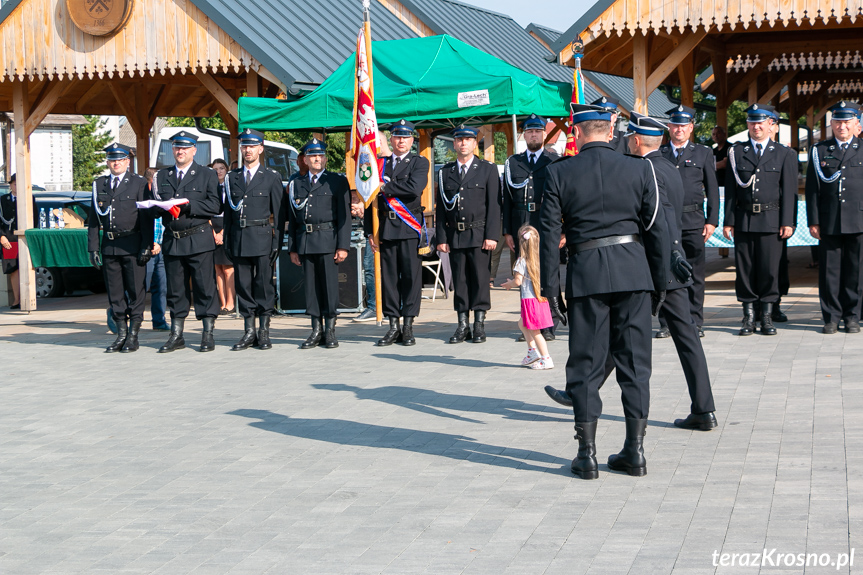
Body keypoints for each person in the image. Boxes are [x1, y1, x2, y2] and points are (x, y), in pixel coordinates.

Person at [539, 103, 668, 479]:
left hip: (587, 274)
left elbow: (549, 237)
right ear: (611, 132)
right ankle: (635, 451)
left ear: (577, 135)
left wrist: (551, 290)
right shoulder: (640, 167)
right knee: (635, 365)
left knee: (585, 362)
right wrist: (660, 283)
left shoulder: (558, 172)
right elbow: (656, 231)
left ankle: (587, 454)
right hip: (634, 273)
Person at [723, 104, 797, 336]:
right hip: (744, 219)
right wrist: (728, 221)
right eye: (752, 122)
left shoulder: (785, 153)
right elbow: (732, 191)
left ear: (770, 125)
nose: (756, 126)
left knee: (769, 269)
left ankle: (766, 315)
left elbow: (789, 191)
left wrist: (788, 221)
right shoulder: (736, 153)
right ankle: (748, 316)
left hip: (771, 219)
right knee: (745, 270)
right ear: (747, 125)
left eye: (761, 122)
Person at [151, 131, 221, 352]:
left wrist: (189, 205)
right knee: (176, 290)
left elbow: (215, 206)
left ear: (194, 150)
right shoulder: (162, 176)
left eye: (184, 148)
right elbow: (156, 206)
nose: (179, 151)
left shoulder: (206, 174)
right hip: (173, 240)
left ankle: (207, 333)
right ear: (172, 150)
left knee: (204, 288)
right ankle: (177, 334)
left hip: (198, 238)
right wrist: (153, 207)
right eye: (176, 148)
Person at [655, 105, 719, 339]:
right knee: (665, 271)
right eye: (674, 125)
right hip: (665, 222)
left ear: (691, 128)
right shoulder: (659, 154)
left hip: (693, 221)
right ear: (668, 127)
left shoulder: (703, 153)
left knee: (695, 274)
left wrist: (712, 220)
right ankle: (666, 322)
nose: (678, 129)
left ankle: (695, 320)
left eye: (683, 125)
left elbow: (712, 190)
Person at [366, 120, 429, 346]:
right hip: (384, 228)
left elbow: (414, 188)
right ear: (390, 140)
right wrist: (369, 232)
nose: (401, 141)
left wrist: (384, 187)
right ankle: (393, 325)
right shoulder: (379, 164)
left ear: (412, 140)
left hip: (409, 227)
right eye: (397, 136)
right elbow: (369, 199)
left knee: (411, 279)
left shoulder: (419, 162)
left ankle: (408, 326)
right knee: (389, 279)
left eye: (405, 137)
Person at [436, 124, 501, 344]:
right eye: (459, 140)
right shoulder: (445, 172)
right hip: (456, 235)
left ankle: (479, 325)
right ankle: (462, 324)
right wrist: (442, 238)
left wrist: (492, 235)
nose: (463, 143)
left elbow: (494, 205)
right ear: (454, 144)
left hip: (480, 233)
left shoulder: (487, 169)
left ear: (475, 143)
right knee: (460, 281)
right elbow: (441, 209)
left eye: (468, 139)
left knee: (480, 280)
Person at [223, 129, 286, 351]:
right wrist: (228, 240)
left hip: (261, 237)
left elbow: (279, 213)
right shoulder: (232, 178)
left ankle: (264, 331)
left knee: (264, 286)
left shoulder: (271, 177)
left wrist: (277, 240)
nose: (247, 150)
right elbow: (229, 213)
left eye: (251, 146)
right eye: (244, 146)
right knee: (243, 285)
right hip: (239, 238)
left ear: (260, 149)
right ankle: (249, 331)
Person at [87, 144, 153, 353]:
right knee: (115, 294)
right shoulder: (100, 184)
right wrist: (93, 247)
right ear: (107, 162)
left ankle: (133, 335)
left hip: (132, 245)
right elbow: (93, 219)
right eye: (112, 160)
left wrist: (147, 245)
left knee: (135, 292)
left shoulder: (139, 184)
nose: (116, 163)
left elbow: (146, 218)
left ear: (127, 161)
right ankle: (121, 334)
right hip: (110, 246)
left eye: (120, 159)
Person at [287, 138, 351, 349]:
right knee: (311, 289)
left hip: (328, 240)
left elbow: (344, 217)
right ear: (305, 159)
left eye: (320, 155)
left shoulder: (336, 181)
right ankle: (316, 330)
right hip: (305, 241)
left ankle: (330, 330)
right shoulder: (297, 183)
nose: (317, 159)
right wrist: (293, 247)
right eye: (313, 155)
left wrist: (343, 246)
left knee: (329, 287)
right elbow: (293, 218)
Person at [806, 101, 863, 334]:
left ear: (856, 124)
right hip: (829, 220)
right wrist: (813, 220)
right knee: (830, 271)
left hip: (858, 219)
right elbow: (812, 189)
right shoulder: (820, 150)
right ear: (831, 124)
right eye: (838, 121)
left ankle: (852, 316)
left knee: (855, 271)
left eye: (847, 122)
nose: (842, 126)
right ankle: (831, 317)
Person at [502, 114, 559, 342]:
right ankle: (530, 324)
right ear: (523, 135)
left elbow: (562, 199)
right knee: (524, 275)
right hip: (520, 225)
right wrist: (507, 230)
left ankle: (548, 325)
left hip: (545, 224)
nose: (533, 134)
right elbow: (506, 199)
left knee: (547, 274)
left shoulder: (554, 161)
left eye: (537, 131)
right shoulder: (513, 163)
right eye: (529, 131)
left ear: (544, 134)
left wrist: (562, 230)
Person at [501, 225, 554, 370]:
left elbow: (518, 281)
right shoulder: (540, 259)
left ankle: (546, 358)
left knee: (535, 332)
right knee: (522, 323)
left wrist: (509, 284)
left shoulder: (521, 261)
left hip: (530, 301)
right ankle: (532, 352)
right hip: (540, 299)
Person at [354, 132, 391, 323]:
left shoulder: (392, 164)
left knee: (393, 268)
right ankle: (373, 307)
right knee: (369, 266)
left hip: (395, 225)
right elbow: (368, 202)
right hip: (375, 227)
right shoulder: (369, 166)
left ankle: (394, 306)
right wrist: (368, 231)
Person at [0, 174, 37, 309]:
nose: (17, 187)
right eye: (15, 184)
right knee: (13, 269)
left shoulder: (29, 199)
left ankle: (28, 299)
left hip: (25, 237)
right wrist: (1, 236)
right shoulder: (3, 200)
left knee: (27, 267)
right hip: (9, 238)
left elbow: (35, 218)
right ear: (10, 185)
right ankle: (17, 300)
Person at [144, 167, 169, 331]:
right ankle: (117, 313)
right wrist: (151, 242)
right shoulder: (143, 198)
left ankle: (158, 321)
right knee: (139, 286)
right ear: (151, 182)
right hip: (147, 248)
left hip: (161, 248)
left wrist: (160, 243)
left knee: (161, 287)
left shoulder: (162, 197)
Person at [211, 158, 236, 316]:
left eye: (221, 168)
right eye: (215, 169)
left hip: (227, 226)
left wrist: (222, 233)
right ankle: (222, 303)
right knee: (218, 269)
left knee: (228, 269)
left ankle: (230, 302)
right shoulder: (210, 187)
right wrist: (213, 232)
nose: (218, 171)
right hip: (212, 226)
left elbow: (233, 210)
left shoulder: (230, 186)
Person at [712, 126, 729, 191]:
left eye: (718, 133)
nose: (716, 135)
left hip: (727, 183)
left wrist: (710, 166)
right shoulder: (712, 151)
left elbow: (724, 164)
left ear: (724, 134)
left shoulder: (730, 148)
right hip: (716, 183)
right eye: (713, 134)